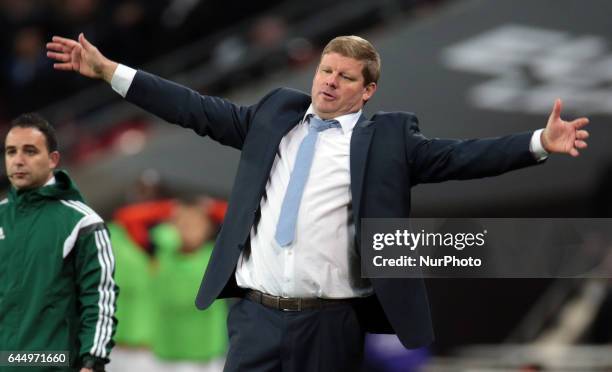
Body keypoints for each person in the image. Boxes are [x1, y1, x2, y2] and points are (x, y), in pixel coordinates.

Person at [46, 33, 590, 371]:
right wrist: (112, 72)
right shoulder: (273, 117)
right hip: (254, 317)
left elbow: (464, 157)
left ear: (367, 89)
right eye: (325, 71)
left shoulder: (388, 141)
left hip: (329, 324)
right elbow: (193, 108)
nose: (329, 82)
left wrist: (540, 142)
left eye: (344, 76)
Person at [0, 113, 118, 372]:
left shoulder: (82, 223)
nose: (18, 160)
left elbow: (99, 299)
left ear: (53, 159)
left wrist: (91, 361)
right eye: (11, 152)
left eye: (29, 151)